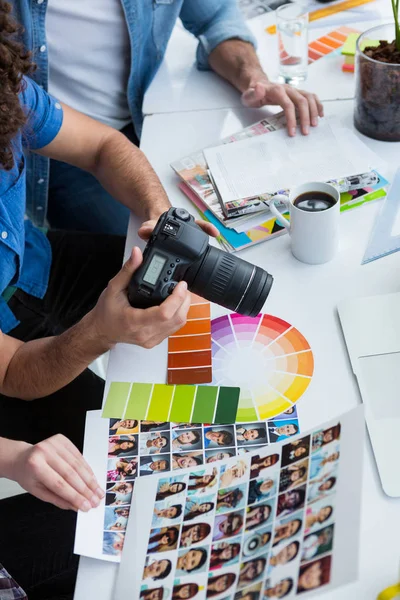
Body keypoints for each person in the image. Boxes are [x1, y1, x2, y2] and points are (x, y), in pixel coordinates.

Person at [14, 0, 323, 238]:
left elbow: (214, 16)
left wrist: (254, 78)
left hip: (147, 115)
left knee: (248, 217)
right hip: (64, 149)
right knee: (147, 254)